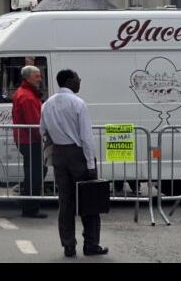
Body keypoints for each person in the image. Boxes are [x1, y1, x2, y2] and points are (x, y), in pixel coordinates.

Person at [41, 69, 107, 257]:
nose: (80, 81)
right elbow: (86, 137)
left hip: (60, 154)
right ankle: (91, 244)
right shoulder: (78, 103)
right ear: (70, 81)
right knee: (89, 199)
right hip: (78, 154)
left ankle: (68, 245)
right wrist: (91, 165)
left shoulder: (47, 104)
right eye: (78, 78)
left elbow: (43, 130)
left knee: (65, 201)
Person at [12, 65, 48, 218]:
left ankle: (28, 202)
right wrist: (44, 138)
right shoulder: (27, 96)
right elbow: (34, 123)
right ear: (28, 78)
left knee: (33, 172)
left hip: (26, 139)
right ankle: (30, 207)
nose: (40, 79)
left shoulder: (24, 93)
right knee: (35, 173)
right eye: (37, 76)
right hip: (30, 140)